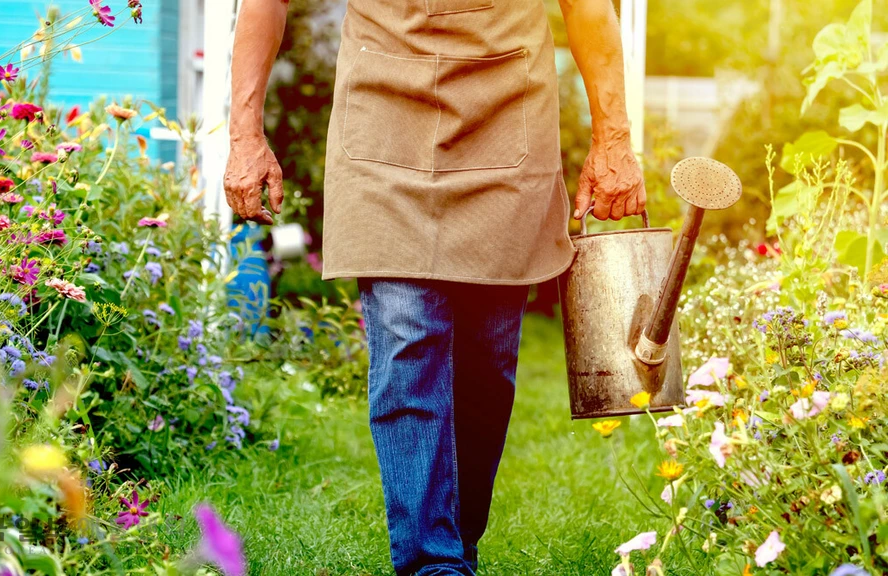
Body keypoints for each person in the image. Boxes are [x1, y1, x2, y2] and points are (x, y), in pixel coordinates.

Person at [224, 0, 646, 573]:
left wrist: (613, 139)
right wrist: (244, 134)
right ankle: (433, 563)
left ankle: (455, 544)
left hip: (505, 108)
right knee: (407, 341)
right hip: (382, 109)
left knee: (485, 369)